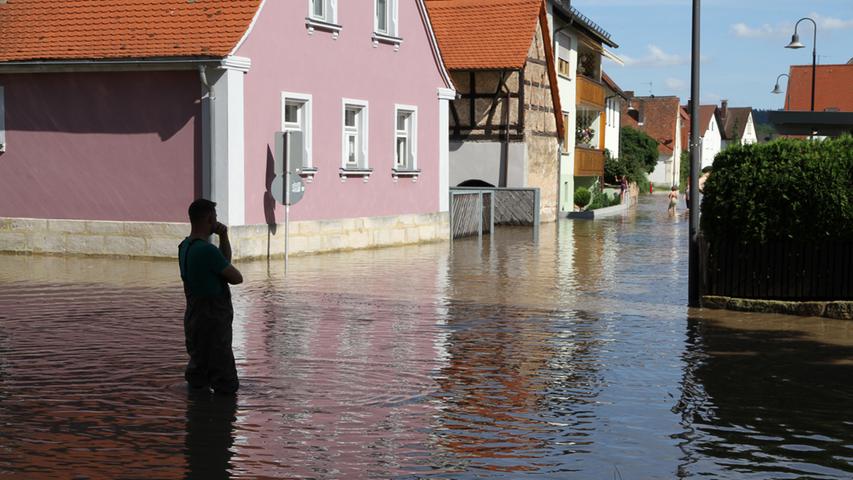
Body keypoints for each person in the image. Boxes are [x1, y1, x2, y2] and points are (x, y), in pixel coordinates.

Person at [178, 199, 243, 394]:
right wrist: (222, 236)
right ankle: (223, 421)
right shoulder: (207, 250)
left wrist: (223, 236)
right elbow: (236, 278)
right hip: (213, 321)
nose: (217, 220)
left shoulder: (185, 247)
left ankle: (197, 418)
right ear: (208, 218)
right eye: (215, 217)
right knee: (225, 380)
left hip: (194, 319)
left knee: (199, 374)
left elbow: (222, 263)